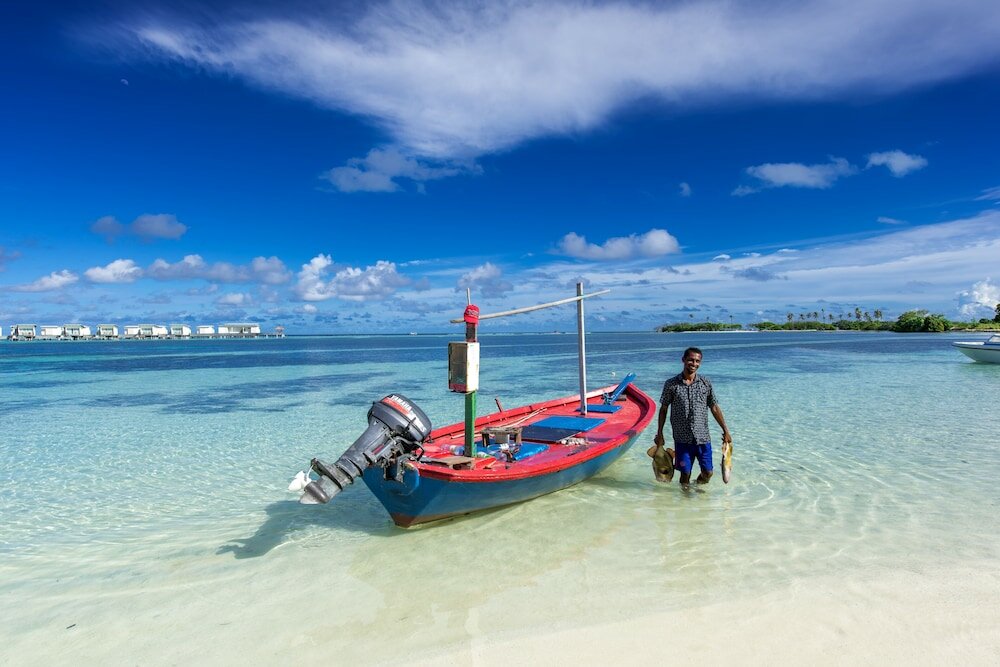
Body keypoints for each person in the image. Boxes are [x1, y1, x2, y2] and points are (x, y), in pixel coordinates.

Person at [650, 347, 732, 484]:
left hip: (703, 438)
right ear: (683, 360)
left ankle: (697, 490)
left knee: (708, 473)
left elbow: (714, 407)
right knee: (684, 475)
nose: (694, 364)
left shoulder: (705, 383)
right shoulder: (671, 384)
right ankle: (685, 501)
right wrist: (660, 433)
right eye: (690, 360)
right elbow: (663, 409)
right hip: (682, 439)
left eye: (697, 361)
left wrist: (726, 431)